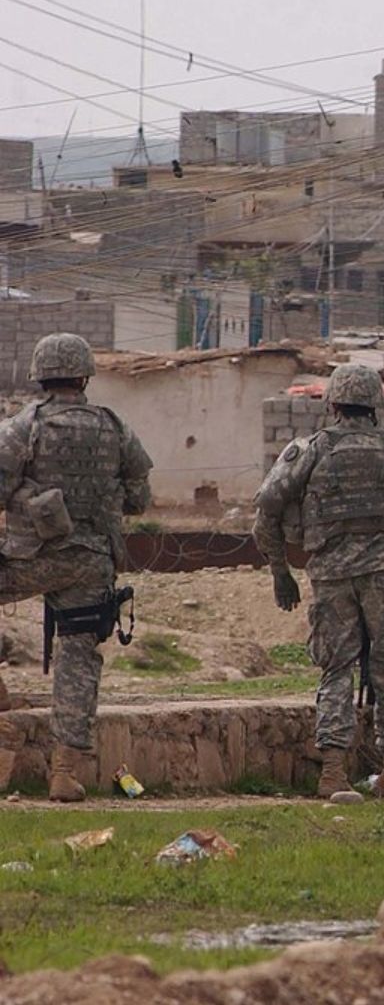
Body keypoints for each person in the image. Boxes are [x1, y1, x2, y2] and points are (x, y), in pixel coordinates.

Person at [253, 365, 384, 799]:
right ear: (377, 404)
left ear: (333, 404)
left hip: (332, 574)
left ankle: (333, 773)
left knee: (336, 668)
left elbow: (267, 509)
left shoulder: (311, 449)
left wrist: (281, 572)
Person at [0, 333, 152, 802]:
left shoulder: (23, 426)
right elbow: (139, 498)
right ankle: (64, 773)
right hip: (91, 561)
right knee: (78, 659)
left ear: (40, 376)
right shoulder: (115, 427)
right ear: (85, 376)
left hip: (30, 557)